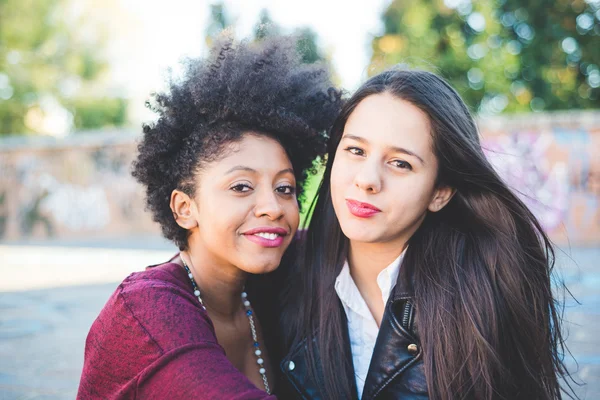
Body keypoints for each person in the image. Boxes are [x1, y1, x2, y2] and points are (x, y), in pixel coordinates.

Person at [276, 69, 575, 399]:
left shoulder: (485, 288)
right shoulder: (283, 274)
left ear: (440, 192)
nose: (367, 179)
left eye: (400, 163)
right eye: (356, 151)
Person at [76, 34, 342, 399]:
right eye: (241, 187)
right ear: (186, 208)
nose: (273, 207)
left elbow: (354, 245)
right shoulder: (147, 312)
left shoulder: (267, 282)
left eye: (285, 188)